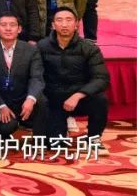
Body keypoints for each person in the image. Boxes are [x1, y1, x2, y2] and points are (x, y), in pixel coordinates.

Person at [38, 8, 109, 149]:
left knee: (100, 99)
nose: (64, 24)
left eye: (69, 20)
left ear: (77, 24)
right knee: (56, 145)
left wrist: (78, 95)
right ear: (53, 25)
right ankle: (59, 130)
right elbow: (35, 76)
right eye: (59, 20)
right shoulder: (42, 47)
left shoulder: (89, 48)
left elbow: (101, 78)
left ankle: (93, 138)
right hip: (54, 100)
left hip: (79, 99)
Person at [0, 14, 47, 138]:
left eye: (12, 25)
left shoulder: (31, 50)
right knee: (6, 128)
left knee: (41, 100)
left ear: (19, 29)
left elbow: (37, 78)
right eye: (3, 25)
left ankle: (39, 141)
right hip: (1, 100)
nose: (8, 28)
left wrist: (30, 99)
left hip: (23, 99)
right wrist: (1, 105)